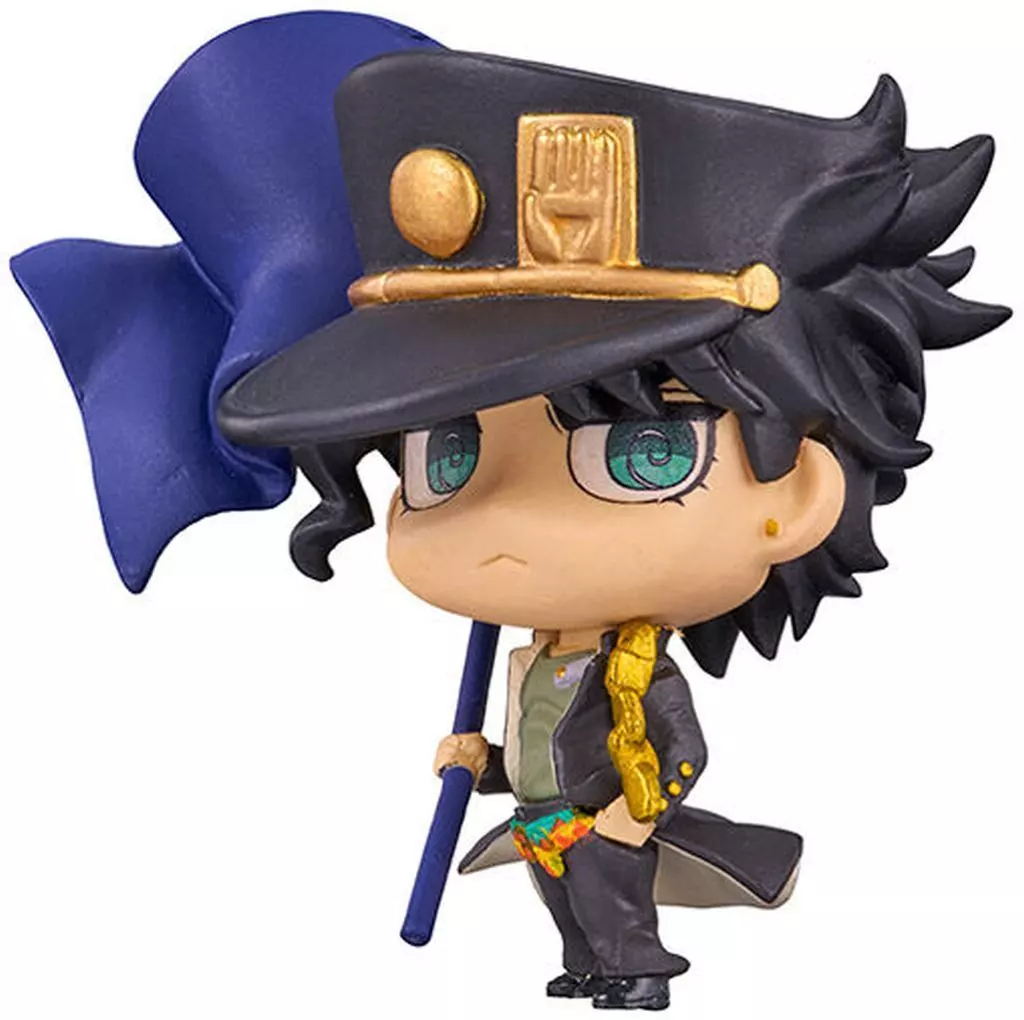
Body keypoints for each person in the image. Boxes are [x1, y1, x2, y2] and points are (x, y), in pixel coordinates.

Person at [13, 17, 1011, 1013]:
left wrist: (631, 820)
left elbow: (681, 750)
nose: (498, 516)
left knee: (611, 910)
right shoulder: (540, 660)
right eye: (445, 455)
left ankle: (633, 970)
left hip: (601, 828)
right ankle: (592, 964)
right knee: (571, 910)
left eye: (640, 454)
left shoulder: (633, 667)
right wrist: (484, 763)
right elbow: (538, 746)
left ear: (795, 495)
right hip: (548, 829)